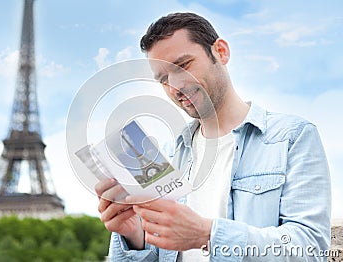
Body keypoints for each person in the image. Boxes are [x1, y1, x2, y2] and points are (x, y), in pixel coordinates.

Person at [95, 12, 331, 261]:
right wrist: (136, 237)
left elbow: (310, 249)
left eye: (183, 65)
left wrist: (207, 235)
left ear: (220, 51)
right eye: (163, 79)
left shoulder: (292, 137)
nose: (175, 85)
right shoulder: (169, 156)